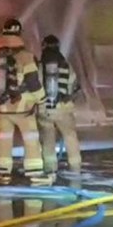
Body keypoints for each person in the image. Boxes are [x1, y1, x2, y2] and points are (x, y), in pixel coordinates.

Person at [0, 18, 49, 185]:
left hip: (2, 107)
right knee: (30, 139)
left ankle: (3, 173)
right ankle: (35, 173)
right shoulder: (26, 56)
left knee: (4, 140)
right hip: (23, 108)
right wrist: (42, 98)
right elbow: (32, 81)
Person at [38, 34, 82, 175]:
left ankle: (50, 168)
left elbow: (36, 85)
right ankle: (75, 167)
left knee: (47, 139)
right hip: (63, 108)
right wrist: (68, 99)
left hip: (44, 108)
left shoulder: (40, 65)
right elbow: (75, 86)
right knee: (70, 136)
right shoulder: (66, 65)